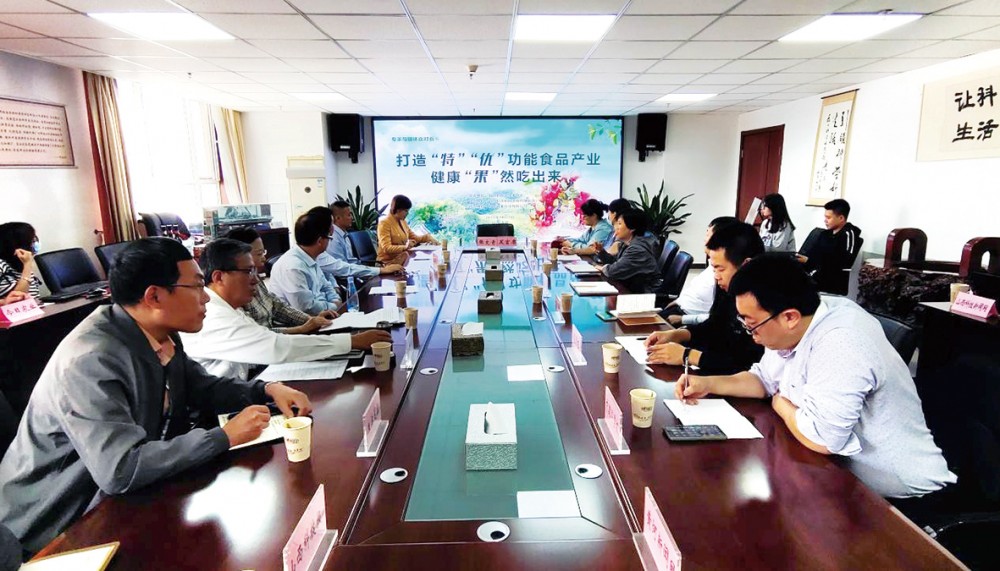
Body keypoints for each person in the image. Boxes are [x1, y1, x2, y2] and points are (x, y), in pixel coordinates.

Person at [0, 238, 312, 556]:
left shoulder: (156, 331)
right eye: (197, 286)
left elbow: (202, 387)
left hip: (118, 501)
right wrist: (223, 437)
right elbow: (121, 468)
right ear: (154, 296)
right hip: (55, 526)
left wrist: (267, 389)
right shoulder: (90, 358)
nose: (206, 297)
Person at [675, 254, 956, 499]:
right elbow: (763, 380)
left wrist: (780, 403)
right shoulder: (798, 322)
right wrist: (707, 383)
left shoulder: (842, 341)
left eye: (752, 325)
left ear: (789, 317)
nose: (752, 334)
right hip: (836, 476)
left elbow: (823, 439)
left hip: (897, 498)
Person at [180, 239, 390, 381]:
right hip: (220, 410)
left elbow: (266, 336)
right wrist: (351, 341)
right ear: (219, 277)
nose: (256, 280)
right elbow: (275, 347)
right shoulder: (214, 316)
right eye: (248, 271)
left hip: (244, 388)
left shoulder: (230, 309)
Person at [645, 222, 765, 375]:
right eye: (713, 268)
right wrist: (678, 335)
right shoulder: (727, 286)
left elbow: (747, 364)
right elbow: (715, 324)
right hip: (713, 367)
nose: (716, 276)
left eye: (720, 269)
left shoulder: (765, 303)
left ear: (746, 265)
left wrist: (688, 355)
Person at [225, 227, 334, 333]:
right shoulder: (234, 295)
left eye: (263, 252)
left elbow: (277, 306)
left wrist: (309, 320)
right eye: (259, 253)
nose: (264, 258)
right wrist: (300, 329)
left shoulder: (255, 277)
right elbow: (256, 333)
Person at [661, 216, 739, 326]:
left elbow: (720, 318)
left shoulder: (727, 277)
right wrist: (678, 302)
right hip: (678, 310)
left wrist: (683, 319)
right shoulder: (713, 266)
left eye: (708, 235)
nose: (705, 239)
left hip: (687, 319)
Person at [269, 209, 344, 315]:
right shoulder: (293, 267)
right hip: (304, 321)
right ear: (319, 241)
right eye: (329, 238)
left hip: (324, 314)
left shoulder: (310, 256)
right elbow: (306, 308)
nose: (329, 242)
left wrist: (335, 300)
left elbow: (326, 286)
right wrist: (334, 306)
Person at [321, 201, 403, 279]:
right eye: (349, 215)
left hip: (355, 272)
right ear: (338, 218)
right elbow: (341, 270)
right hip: (348, 278)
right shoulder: (333, 239)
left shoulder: (344, 235)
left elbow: (351, 263)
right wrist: (380, 270)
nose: (352, 218)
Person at [798, 198, 862, 294]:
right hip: (816, 277)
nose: (825, 220)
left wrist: (809, 261)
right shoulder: (824, 234)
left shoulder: (848, 235)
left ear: (841, 218)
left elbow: (843, 262)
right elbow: (813, 254)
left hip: (832, 283)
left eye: (828, 218)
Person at [593, 210, 662, 294]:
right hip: (633, 288)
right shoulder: (627, 244)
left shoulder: (637, 249)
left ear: (632, 228)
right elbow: (617, 262)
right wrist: (601, 252)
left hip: (645, 294)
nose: (616, 227)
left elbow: (613, 271)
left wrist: (602, 268)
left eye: (619, 224)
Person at [376, 195, 438, 266]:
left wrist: (427, 237)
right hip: (386, 263)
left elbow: (415, 238)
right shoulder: (384, 223)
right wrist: (405, 247)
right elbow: (386, 248)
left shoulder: (403, 222)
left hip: (402, 259)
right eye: (406, 211)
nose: (407, 213)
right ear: (398, 209)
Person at [0, 222, 42, 299]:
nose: (35, 243)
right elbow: (18, 298)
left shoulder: (20, 263)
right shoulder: (1, 265)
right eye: (32, 240)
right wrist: (27, 265)